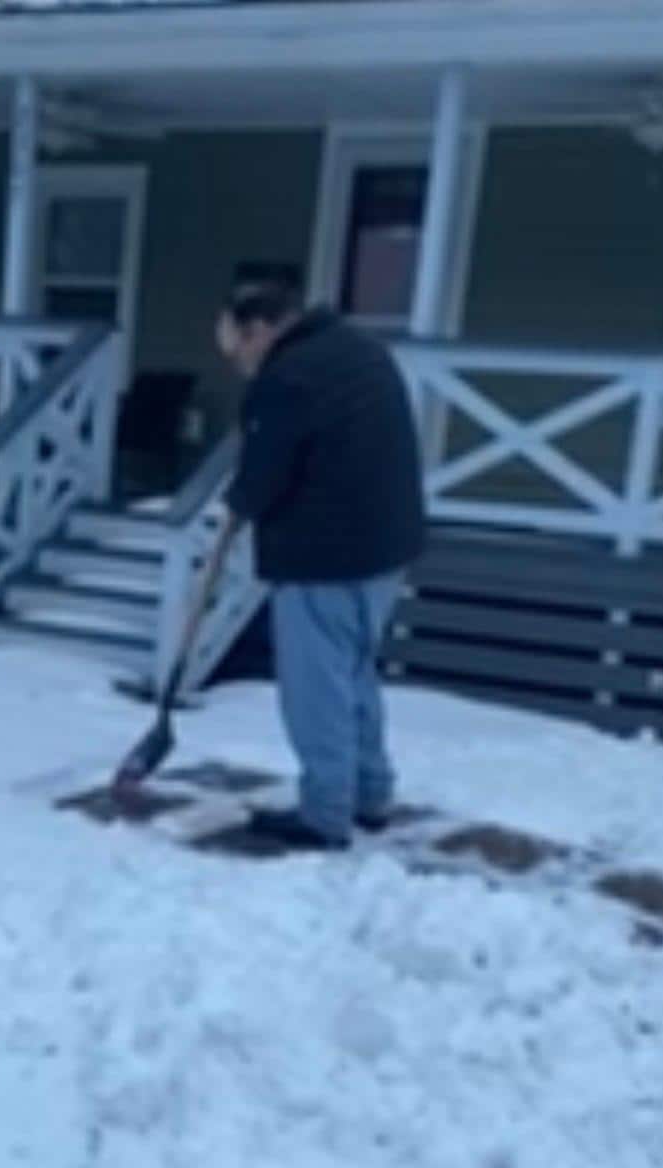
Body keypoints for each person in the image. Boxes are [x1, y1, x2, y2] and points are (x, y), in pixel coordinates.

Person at [208, 263, 425, 855]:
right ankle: (370, 793)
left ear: (257, 330)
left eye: (236, 350)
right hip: (385, 545)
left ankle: (326, 812)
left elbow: (263, 475)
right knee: (352, 669)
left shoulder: (287, 378)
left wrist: (239, 505)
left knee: (315, 685)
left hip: (325, 554)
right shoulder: (357, 349)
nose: (240, 363)